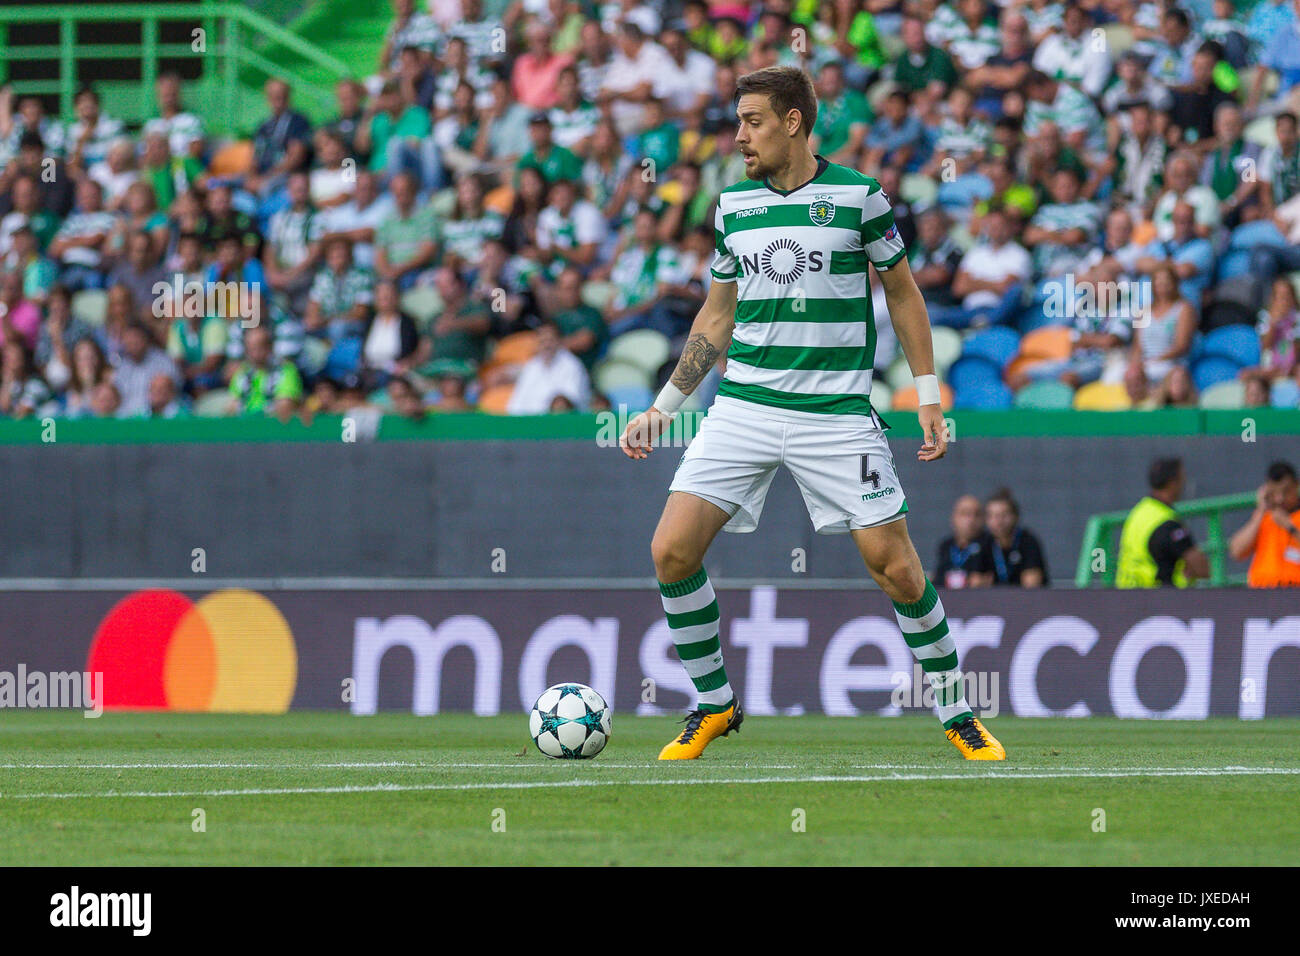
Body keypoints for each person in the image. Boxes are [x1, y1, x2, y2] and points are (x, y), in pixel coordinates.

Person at [618, 66, 1004, 761]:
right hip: (744, 408)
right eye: (737, 121)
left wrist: (927, 393)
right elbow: (717, 315)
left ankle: (958, 713)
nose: (739, 136)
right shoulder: (733, 206)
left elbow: (905, 294)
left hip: (836, 414)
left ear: (793, 122)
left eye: (753, 121)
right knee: (670, 551)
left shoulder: (861, 197)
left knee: (899, 569)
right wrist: (664, 407)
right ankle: (714, 704)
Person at [1116, 458, 1211, 588]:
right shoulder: (1168, 524)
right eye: (1182, 478)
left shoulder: (1138, 512)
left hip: (1126, 595)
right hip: (1158, 600)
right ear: (1173, 483)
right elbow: (1202, 569)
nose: (1184, 484)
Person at [1228, 461, 1300, 588]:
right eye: (1274, 492)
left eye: (1286, 491)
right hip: (1261, 593)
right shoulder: (1263, 517)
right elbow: (1236, 551)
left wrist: (1289, 527)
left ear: (1296, 485)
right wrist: (1260, 512)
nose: (1280, 499)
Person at [984, 487, 1049, 587]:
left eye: (1004, 515)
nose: (999, 521)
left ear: (1015, 516)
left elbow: (1032, 582)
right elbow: (976, 581)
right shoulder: (984, 543)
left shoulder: (1028, 541)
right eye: (993, 516)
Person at [933, 494, 993, 589]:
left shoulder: (990, 543)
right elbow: (938, 579)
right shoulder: (946, 545)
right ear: (954, 518)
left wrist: (984, 581)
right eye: (965, 514)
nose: (971, 520)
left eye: (977, 515)